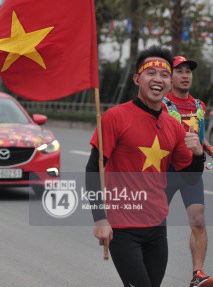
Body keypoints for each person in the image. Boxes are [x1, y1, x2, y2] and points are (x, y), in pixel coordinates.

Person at [86, 46, 205, 287]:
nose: (158, 79)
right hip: (122, 225)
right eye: (150, 73)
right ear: (137, 79)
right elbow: (92, 170)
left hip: (156, 228)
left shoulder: (173, 126)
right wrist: (99, 219)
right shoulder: (115, 117)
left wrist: (199, 154)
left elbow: (190, 178)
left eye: (164, 75)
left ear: (170, 84)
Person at [164, 55, 213, 287]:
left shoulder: (198, 105)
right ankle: (148, 272)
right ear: (169, 77)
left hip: (192, 172)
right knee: (155, 223)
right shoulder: (161, 104)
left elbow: (198, 135)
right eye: (179, 71)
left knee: (198, 220)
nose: (185, 75)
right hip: (166, 171)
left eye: (188, 71)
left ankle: (197, 274)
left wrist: (211, 151)